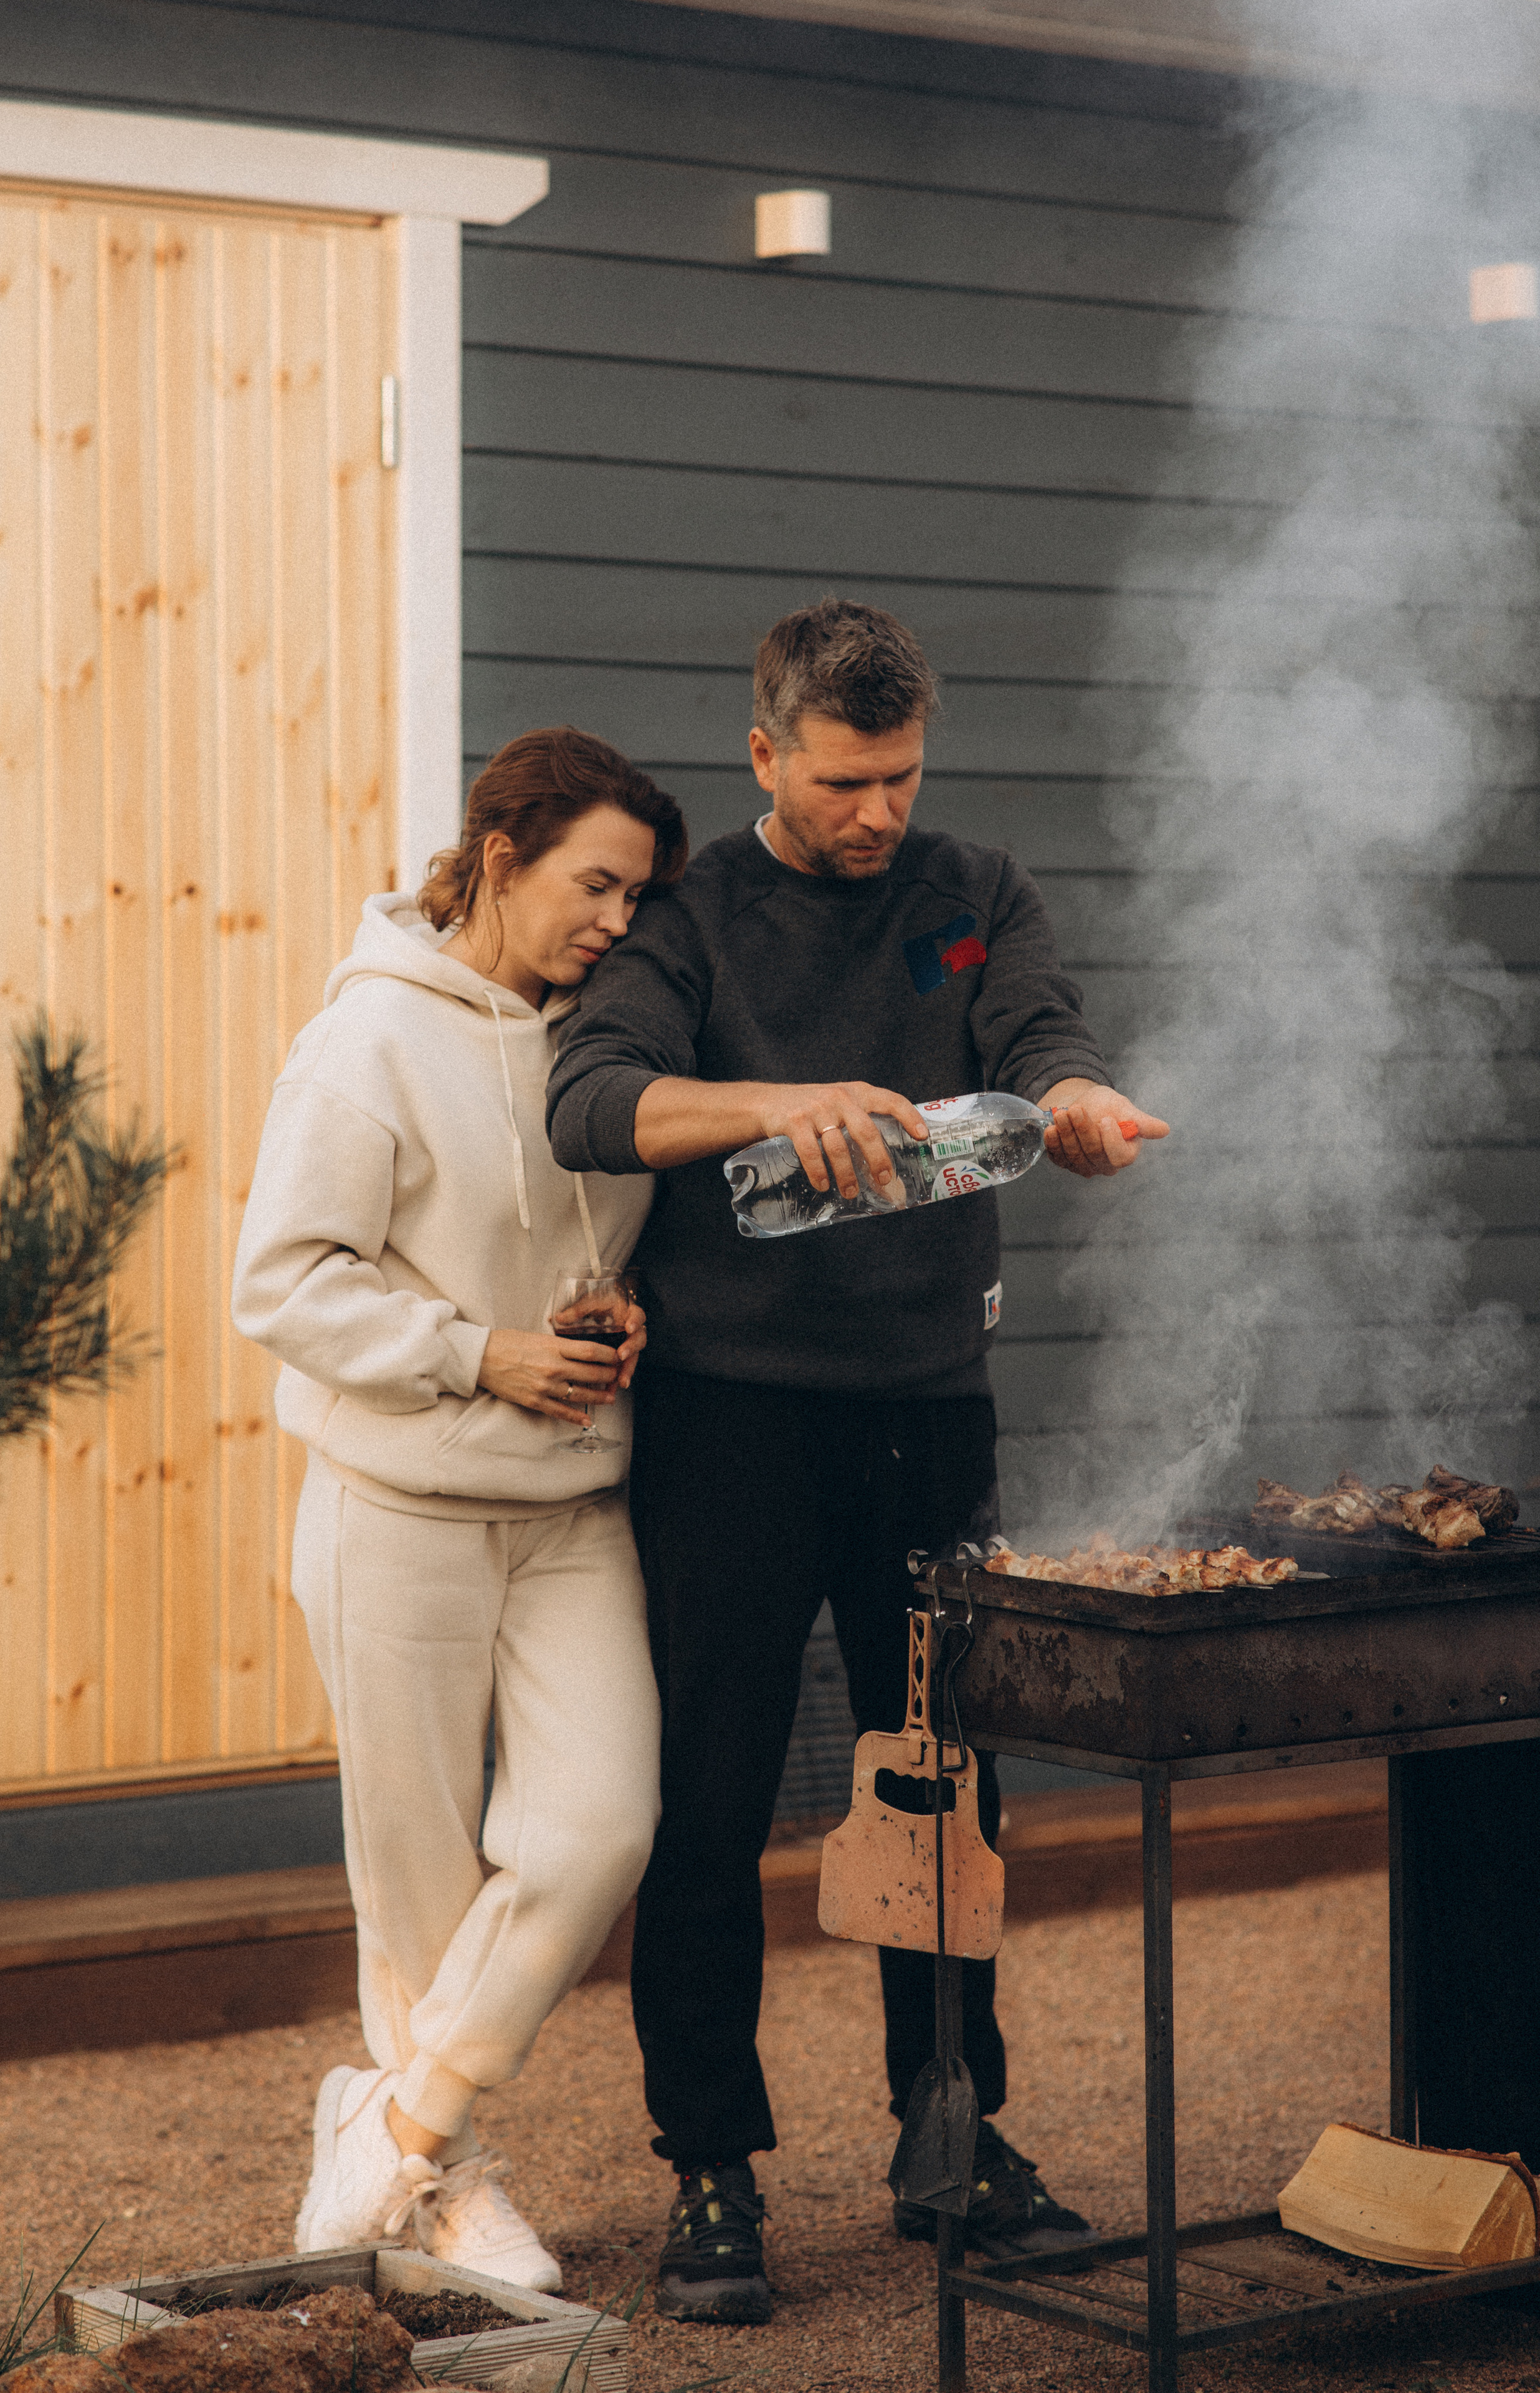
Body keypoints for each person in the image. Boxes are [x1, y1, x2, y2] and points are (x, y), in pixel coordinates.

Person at [546, 601, 1169, 2324]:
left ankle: (952, 2135)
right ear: (764, 756)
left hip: (928, 1409)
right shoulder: (687, 918)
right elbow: (590, 1099)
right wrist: (772, 1102)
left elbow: (1035, 1037)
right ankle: (711, 2169)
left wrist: (1077, 1103)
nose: (877, 812)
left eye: (899, 776)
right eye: (840, 781)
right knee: (713, 1794)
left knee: (943, 1785)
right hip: (730, 1424)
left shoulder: (974, 891)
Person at [232, 726, 687, 2288]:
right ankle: (446, 2181)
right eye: (595, 885)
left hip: (571, 1505)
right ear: (501, 856)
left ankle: (393, 2122)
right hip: (398, 1504)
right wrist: (477, 1352)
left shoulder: (599, 1040)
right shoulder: (364, 1042)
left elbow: (590, 1239)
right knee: (418, 1878)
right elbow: (282, 1281)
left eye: (634, 897)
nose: (616, 921)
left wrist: (613, 1317)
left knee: (599, 1824)